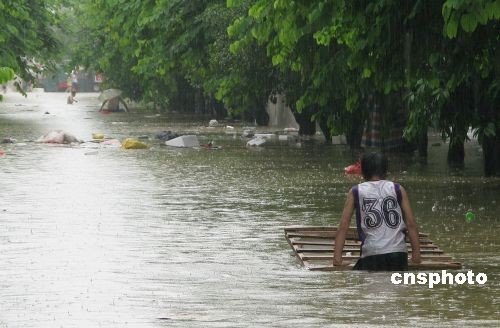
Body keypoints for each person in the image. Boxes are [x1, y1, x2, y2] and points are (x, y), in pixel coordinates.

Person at [333, 152, 421, 271]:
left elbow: (343, 226)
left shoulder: (356, 191)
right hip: (398, 254)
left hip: (372, 253)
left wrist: (337, 259)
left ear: (363, 171)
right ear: (385, 170)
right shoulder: (398, 189)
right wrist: (416, 255)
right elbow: (411, 223)